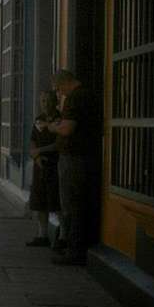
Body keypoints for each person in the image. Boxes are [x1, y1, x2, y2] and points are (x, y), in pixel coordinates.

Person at [47, 70, 98, 265]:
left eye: (59, 89)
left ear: (64, 83)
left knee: (71, 204)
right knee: (77, 203)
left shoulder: (75, 98)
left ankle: (74, 250)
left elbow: (67, 129)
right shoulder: (87, 94)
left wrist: (53, 127)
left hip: (74, 158)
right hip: (84, 156)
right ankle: (74, 246)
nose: (59, 93)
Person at [26, 90, 65, 249]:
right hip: (40, 166)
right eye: (42, 101)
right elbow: (32, 141)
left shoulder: (60, 120)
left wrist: (40, 152)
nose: (45, 104)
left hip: (55, 165)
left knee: (57, 202)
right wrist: (36, 157)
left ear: (54, 102)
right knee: (39, 202)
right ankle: (42, 235)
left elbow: (59, 144)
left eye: (48, 100)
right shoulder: (39, 120)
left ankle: (63, 235)